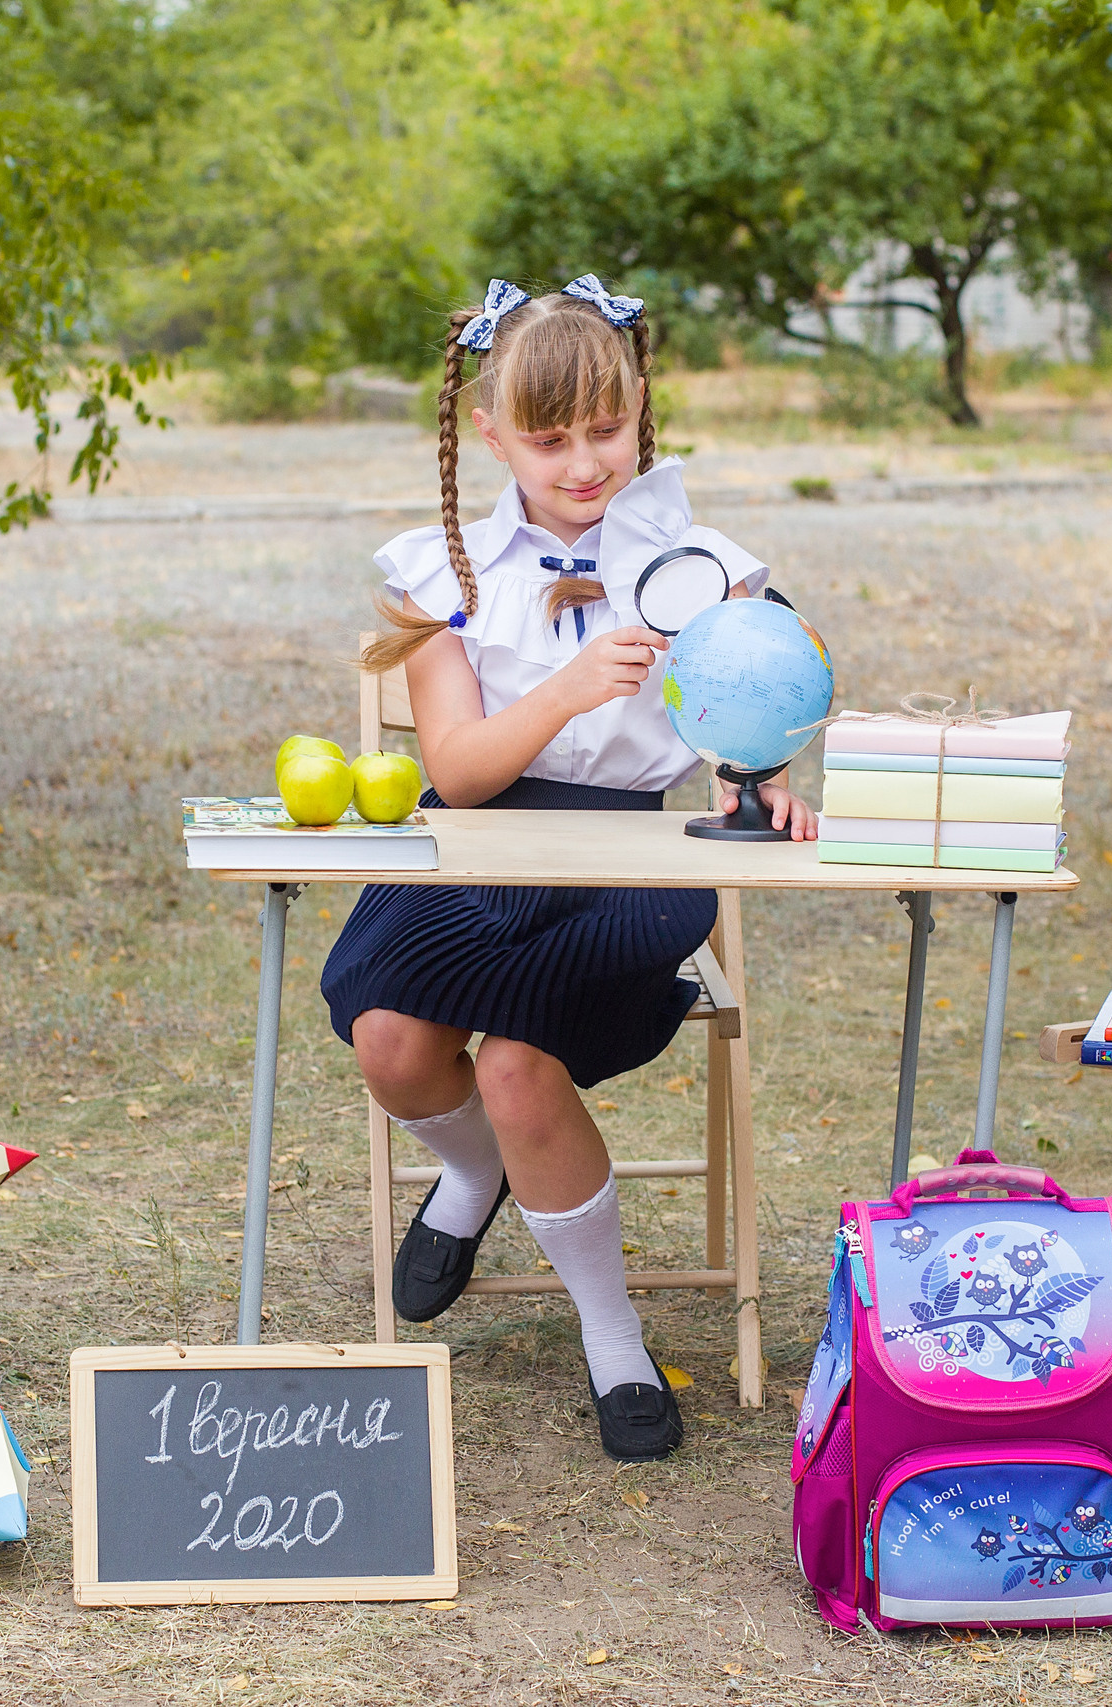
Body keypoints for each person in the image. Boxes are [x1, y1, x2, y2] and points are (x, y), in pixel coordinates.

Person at [322, 275, 816, 1463]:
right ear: (492, 434)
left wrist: (763, 774)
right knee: (390, 1041)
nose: (584, 462)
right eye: (549, 440)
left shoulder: (709, 566)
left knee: (519, 1063)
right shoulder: (442, 572)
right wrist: (568, 682)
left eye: (606, 428)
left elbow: (767, 690)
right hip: (477, 843)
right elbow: (463, 769)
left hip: (634, 858)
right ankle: (473, 1178)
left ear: (642, 407)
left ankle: (612, 1338)